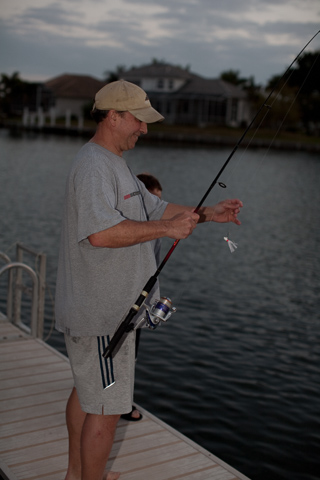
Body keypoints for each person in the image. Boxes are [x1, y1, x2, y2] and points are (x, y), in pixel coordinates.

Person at [55, 79, 243, 480]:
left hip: (102, 313)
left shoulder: (114, 164)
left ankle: (76, 474)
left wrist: (209, 213)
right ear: (113, 116)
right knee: (106, 409)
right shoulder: (93, 167)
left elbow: (156, 208)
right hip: (104, 317)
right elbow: (101, 234)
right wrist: (167, 231)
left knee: (88, 392)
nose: (145, 129)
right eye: (138, 120)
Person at [120, 173, 163, 422]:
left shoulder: (154, 230)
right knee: (118, 353)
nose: (155, 211)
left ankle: (122, 400)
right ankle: (119, 405)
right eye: (151, 204)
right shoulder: (130, 227)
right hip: (124, 299)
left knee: (131, 354)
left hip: (142, 299)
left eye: (159, 204)